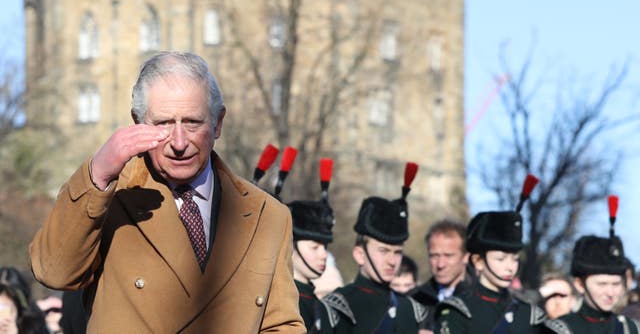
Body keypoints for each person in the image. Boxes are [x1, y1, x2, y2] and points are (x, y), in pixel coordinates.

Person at [30, 51, 304, 332]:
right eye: (163, 124)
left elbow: (282, 324)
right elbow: (53, 271)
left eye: (192, 122)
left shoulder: (267, 215)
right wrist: (97, 174)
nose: (179, 141)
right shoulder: (108, 199)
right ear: (138, 122)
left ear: (218, 123)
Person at [319, 162, 427, 333]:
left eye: (397, 252)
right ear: (360, 254)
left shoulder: (413, 311)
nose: (392, 261)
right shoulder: (336, 307)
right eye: (383, 251)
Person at [434, 174, 547, 333]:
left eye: (514, 259)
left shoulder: (529, 315)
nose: (510, 267)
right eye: (500, 259)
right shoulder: (457, 312)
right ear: (478, 261)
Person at [543, 236, 640, 333]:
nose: (610, 293)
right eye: (602, 284)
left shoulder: (631, 328)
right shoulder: (556, 330)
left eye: (616, 284)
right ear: (580, 285)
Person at [287, 158, 336, 333]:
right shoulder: (282, 302)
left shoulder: (318, 304)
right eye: (315, 247)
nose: (324, 255)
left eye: (325, 247)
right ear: (291, 247)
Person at [410, 219, 469, 333]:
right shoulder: (414, 300)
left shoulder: (481, 301)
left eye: (448, 255)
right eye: (434, 256)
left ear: (466, 257)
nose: (440, 264)